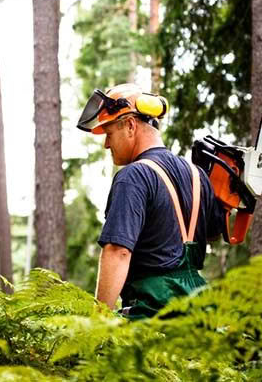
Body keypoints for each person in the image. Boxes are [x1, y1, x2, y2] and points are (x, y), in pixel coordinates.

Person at [76, 83, 225, 319]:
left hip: (153, 313)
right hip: (200, 313)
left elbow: (118, 252)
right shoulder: (198, 176)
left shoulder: (133, 177)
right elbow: (214, 233)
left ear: (131, 125)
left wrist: (98, 322)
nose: (106, 144)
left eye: (109, 133)